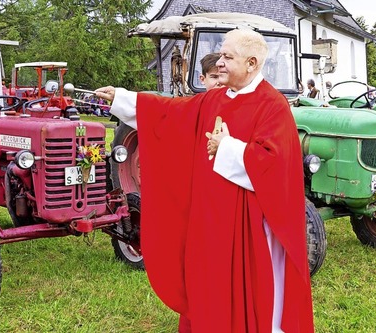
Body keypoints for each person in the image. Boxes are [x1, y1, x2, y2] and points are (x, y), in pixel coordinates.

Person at [96, 28, 314, 332]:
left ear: (252, 63)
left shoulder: (272, 105)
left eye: (228, 56)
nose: (219, 62)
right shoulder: (215, 99)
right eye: (220, 54)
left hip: (248, 226)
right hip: (211, 221)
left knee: (247, 289)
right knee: (210, 286)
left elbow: (275, 164)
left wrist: (226, 148)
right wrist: (122, 99)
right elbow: (170, 114)